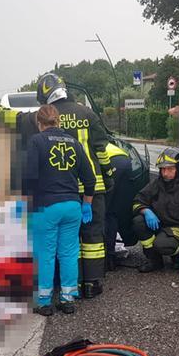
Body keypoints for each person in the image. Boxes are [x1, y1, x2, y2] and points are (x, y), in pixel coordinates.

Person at [18, 74, 112, 299]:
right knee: (91, 238)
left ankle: (55, 288)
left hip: (55, 191)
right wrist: (108, 175)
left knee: (52, 245)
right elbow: (101, 149)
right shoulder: (86, 113)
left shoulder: (37, 122)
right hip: (89, 189)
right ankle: (90, 283)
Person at [24, 104, 96, 316]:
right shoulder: (74, 143)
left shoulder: (36, 141)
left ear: (39, 123)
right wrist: (87, 204)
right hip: (72, 207)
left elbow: (29, 177)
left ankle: (44, 302)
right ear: (58, 121)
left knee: (45, 254)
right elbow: (90, 179)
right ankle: (67, 299)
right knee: (68, 253)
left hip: (47, 207)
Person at [131, 147, 179, 276]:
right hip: (162, 226)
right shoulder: (157, 184)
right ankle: (154, 260)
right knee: (138, 222)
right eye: (163, 169)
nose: (165, 173)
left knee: (162, 244)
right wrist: (146, 211)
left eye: (170, 169)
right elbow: (138, 200)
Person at [102, 141, 132, 271]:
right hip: (124, 160)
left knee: (102, 211)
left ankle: (104, 258)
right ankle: (111, 258)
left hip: (112, 162)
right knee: (112, 212)